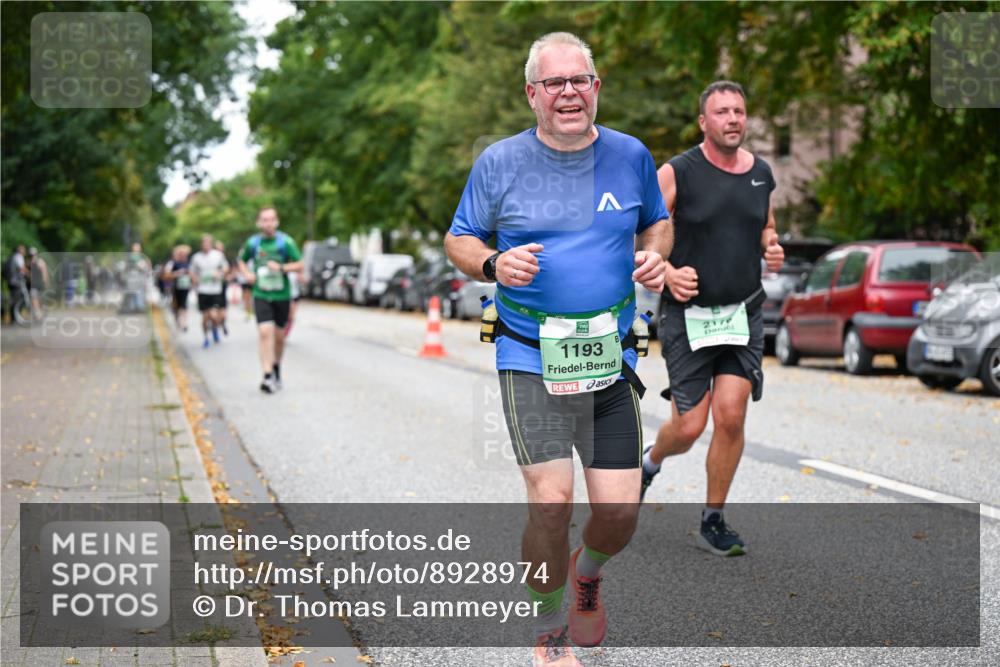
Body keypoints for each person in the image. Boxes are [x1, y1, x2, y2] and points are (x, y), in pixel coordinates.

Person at [444, 32, 670, 666]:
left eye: (580, 81)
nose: (569, 92)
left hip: (608, 357)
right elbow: (458, 238)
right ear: (532, 95)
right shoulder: (500, 162)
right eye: (554, 83)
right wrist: (492, 261)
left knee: (620, 512)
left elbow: (657, 218)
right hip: (529, 354)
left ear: (595, 89)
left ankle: (587, 574)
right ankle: (549, 632)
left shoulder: (630, 156)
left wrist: (655, 252)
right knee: (551, 501)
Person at [640, 81, 785, 557]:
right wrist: (665, 272)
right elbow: (642, 236)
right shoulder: (677, 172)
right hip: (689, 316)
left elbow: (765, 225)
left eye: (739, 111)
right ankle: (650, 462)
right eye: (721, 111)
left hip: (743, 312)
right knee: (688, 426)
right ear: (704, 122)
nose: (733, 119)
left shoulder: (762, 173)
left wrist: (771, 245)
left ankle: (713, 519)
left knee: (730, 415)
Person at [238, 207, 303, 393]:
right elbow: (241, 260)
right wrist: (247, 274)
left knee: (279, 337)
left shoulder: (285, 242)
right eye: (264, 220)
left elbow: (300, 264)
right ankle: (267, 376)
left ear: (277, 222)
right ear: (259, 222)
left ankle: (276, 368)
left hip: (282, 294)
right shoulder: (254, 243)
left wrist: (282, 268)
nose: (268, 223)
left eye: (271, 219)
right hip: (261, 293)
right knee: (265, 332)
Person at [190, 234, 229, 348]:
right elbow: (192, 271)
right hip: (202, 290)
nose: (206, 245)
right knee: (205, 317)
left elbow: (226, 268)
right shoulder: (196, 257)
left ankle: (215, 328)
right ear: (201, 245)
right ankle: (206, 337)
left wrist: (220, 273)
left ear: (211, 244)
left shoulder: (218, 255)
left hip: (215, 290)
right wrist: (195, 279)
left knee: (214, 315)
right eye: (204, 243)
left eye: (208, 243)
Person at [164, 245, 192, 332]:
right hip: (175, 287)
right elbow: (166, 275)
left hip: (185, 287)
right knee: (177, 305)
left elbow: (192, 274)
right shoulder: (173, 263)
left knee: (183, 305)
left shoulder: (187, 264)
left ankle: (184, 323)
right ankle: (179, 319)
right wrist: (176, 274)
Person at [4, 245, 27, 323]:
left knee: (14, 299)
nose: (25, 251)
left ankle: (13, 318)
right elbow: (22, 268)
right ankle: (15, 318)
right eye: (23, 249)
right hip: (16, 282)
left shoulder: (12, 257)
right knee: (17, 300)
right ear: (20, 250)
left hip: (11, 281)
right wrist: (29, 273)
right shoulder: (18, 257)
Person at [27, 248, 49, 316]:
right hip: (34, 283)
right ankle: (38, 312)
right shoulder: (30, 262)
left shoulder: (39, 262)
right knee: (35, 297)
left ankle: (38, 311)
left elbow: (44, 272)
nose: (32, 256)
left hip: (38, 283)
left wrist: (45, 282)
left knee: (36, 298)